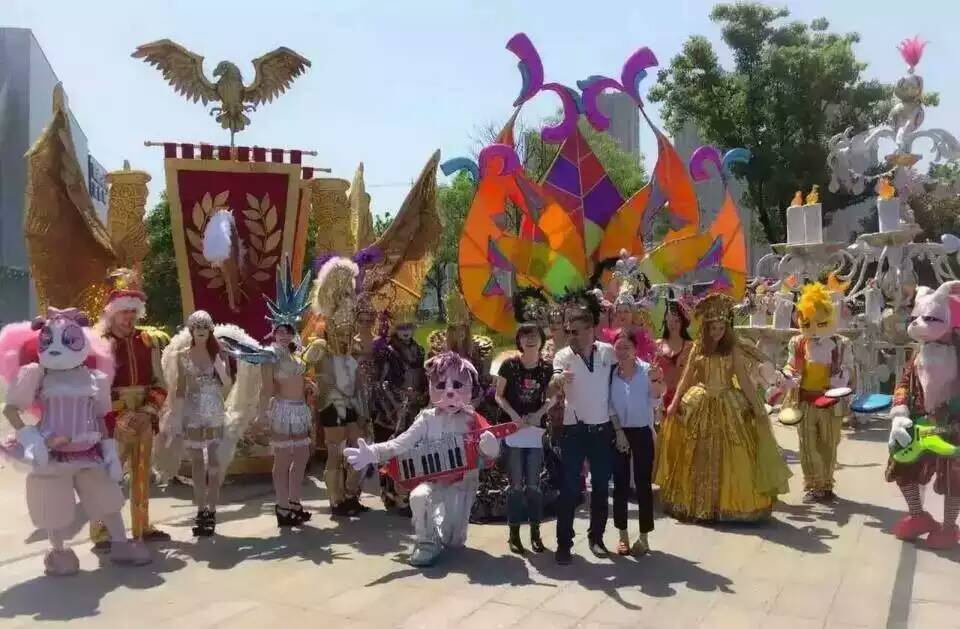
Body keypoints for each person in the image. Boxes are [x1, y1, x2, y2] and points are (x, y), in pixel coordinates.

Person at [0, 308, 151, 574]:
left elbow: (101, 416)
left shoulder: (94, 378)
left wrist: (109, 451)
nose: (57, 347)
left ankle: (120, 543)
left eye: (69, 339)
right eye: (48, 340)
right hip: (52, 454)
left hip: (89, 451)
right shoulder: (36, 374)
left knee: (107, 498)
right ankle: (59, 552)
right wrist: (33, 439)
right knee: (53, 505)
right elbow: (11, 410)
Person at [344, 352, 503, 567]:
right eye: (441, 385)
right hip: (433, 480)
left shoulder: (472, 419)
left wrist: (491, 447)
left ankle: (441, 529)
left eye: (457, 385)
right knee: (419, 497)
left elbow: (490, 450)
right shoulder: (426, 419)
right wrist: (372, 453)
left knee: (454, 541)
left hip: (462, 484)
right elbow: (400, 443)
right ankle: (426, 542)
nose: (449, 392)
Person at [656, 293, 790, 522]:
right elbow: (686, 378)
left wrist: (756, 404)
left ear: (726, 328)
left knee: (735, 454)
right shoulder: (698, 348)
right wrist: (674, 403)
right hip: (699, 402)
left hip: (729, 403)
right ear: (706, 328)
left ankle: (729, 504)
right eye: (713, 328)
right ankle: (698, 504)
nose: (717, 332)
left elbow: (743, 380)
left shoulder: (733, 349)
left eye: (721, 328)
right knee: (697, 454)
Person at [90, 270, 171, 549]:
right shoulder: (100, 344)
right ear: (112, 313)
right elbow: (94, 388)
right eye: (124, 312)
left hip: (145, 416)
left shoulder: (147, 342)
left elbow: (160, 383)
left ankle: (142, 526)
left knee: (142, 473)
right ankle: (101, 530)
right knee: (108, 475)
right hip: (113, 419)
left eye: (133, 312)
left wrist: (147, 411)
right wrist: (120, 413)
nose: (129, 318)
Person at [887, 281, 960, 549]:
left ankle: (949, 527)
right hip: (919, 423)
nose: (918, 325)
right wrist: (900, 412)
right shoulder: (919, 352)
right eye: (915, 318)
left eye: (928, 318)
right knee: (902, 466)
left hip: (952, 427)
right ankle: (918, 516)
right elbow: (904, 383)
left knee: (954, 480)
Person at [552, 306, 617, 564]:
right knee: (569, 488)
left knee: (601, 487)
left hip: (602, 430)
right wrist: (557, 381)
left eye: (576, 331)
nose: (572, 335)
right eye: (569, 331)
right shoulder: (563, 356)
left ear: (591, 330)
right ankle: (564, 544)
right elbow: (553, 382)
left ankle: (596, 538)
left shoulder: (608, 352)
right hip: (574, 430)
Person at [159, 311, 233, 536]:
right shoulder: (182, 355)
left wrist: (221, 364)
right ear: (191, 331)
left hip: (214, 409)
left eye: (204, 327)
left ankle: (212, 509)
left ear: (210, 330)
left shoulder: (218, 353)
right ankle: (201, 510)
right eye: (197, 327)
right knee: (197, 462)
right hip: (192, 411)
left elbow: (227, 383)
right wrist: (176, 415)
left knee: (214, 461)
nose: (200, 331)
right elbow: (180, 388)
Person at [780, 283, 852, 503]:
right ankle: (813, 485)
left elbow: (849, 368)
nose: (812, 329)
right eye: (806, 323)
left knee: (829, 444)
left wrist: (841, 378)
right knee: (807, 445)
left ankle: (826, 484)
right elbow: (790, 365)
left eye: (820, 323)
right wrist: (787, 376)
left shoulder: (841, 344)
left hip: (831, 402)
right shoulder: (797, 342)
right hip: (804, 400)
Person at [308, 256, 367, 517]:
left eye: (348, 331)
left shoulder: (351, 347)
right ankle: (336, 499)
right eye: (341, 332)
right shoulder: (321, 342)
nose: (345, 335)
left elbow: (357, 361)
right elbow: (318, 373)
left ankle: (351, 494)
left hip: (350, 396)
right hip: (332, 399)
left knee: (360, 445)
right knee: (335, 450)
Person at [260, 258, 315, 527]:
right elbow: (266, 388)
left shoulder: (298, 354)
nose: (284, 335)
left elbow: (302, 380)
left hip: (300, 410)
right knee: (282, 459)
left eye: (288, 331)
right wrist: (262, 414)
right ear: (274, 332)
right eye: (280, 331)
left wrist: (309, 386)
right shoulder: (270, 356)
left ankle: (294, 502)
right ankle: (282, 507)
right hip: (282, 411)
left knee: (302, 457)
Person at [494, 323, 556, 554]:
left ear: (541, 340)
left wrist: (539, 414)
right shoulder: (509, 365)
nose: (530, 340)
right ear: (519, 340)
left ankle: (535, 533)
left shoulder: (547, 368)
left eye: (534, 336)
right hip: (513, 430)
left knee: (533, 485)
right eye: (525, 336)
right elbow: (498, 395)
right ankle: (514, 535)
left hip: (535, 432)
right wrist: (513, 415)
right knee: (515, 486)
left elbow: (553, 397)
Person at [608, 331, 663, 556]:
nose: (622, 352)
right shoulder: (611, 373)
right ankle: (622, 536)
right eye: (618, 347)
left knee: (643, 484)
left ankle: (644, 536)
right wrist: (618, 432)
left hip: (641, 431)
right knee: (620, 484)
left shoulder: (647, 370)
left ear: (635, 349)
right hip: (618, 431)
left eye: (626, 347)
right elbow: (609, 405)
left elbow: (656, 400)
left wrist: (656, 381)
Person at [372, 310, 427, 513]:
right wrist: (399, 398)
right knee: (392, 451)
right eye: (401, 327)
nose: (405, 331)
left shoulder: (419, 350)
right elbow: (380, 382)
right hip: (392, 410)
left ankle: (407, 492)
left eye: (409, 327)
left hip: (414, 407)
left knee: (412, 450)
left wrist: (421, 396)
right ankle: (391, 494)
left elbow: (423, 377)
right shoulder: (387, 351)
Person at [655, 300, 693, 417]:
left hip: (683, 401)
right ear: (665, 321)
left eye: (677, 321)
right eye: (670, 320)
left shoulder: (691, 346)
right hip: (661, 402)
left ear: (683, 322)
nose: (673, 324)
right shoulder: (657, 345)